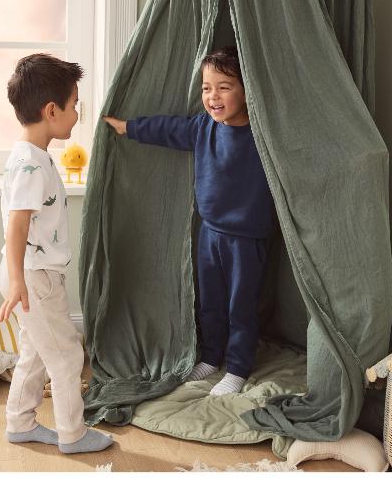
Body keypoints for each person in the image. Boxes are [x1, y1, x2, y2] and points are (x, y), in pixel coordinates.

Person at [104, 46, 274, 396]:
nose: (213, 96)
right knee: (209, 301)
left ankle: (238, 368)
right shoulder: (202, 128)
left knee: (240, 306)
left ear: (247, 90)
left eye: (224, 87)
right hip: (210, 234)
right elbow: (167, 129)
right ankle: (212, 357)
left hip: (247, 238)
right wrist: (128, 127)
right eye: (206, 87)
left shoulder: (264, 135)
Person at [0, 53, 112, 453]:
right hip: (34, 277)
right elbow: (18, 223)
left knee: (35, 351)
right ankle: (73, 434)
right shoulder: (31, 165)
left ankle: (20, 422)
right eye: (75, 104)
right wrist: (17, 281)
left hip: (33, 273)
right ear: (51, 110)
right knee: (65, 356)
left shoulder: (31, 157)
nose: (77, 112)